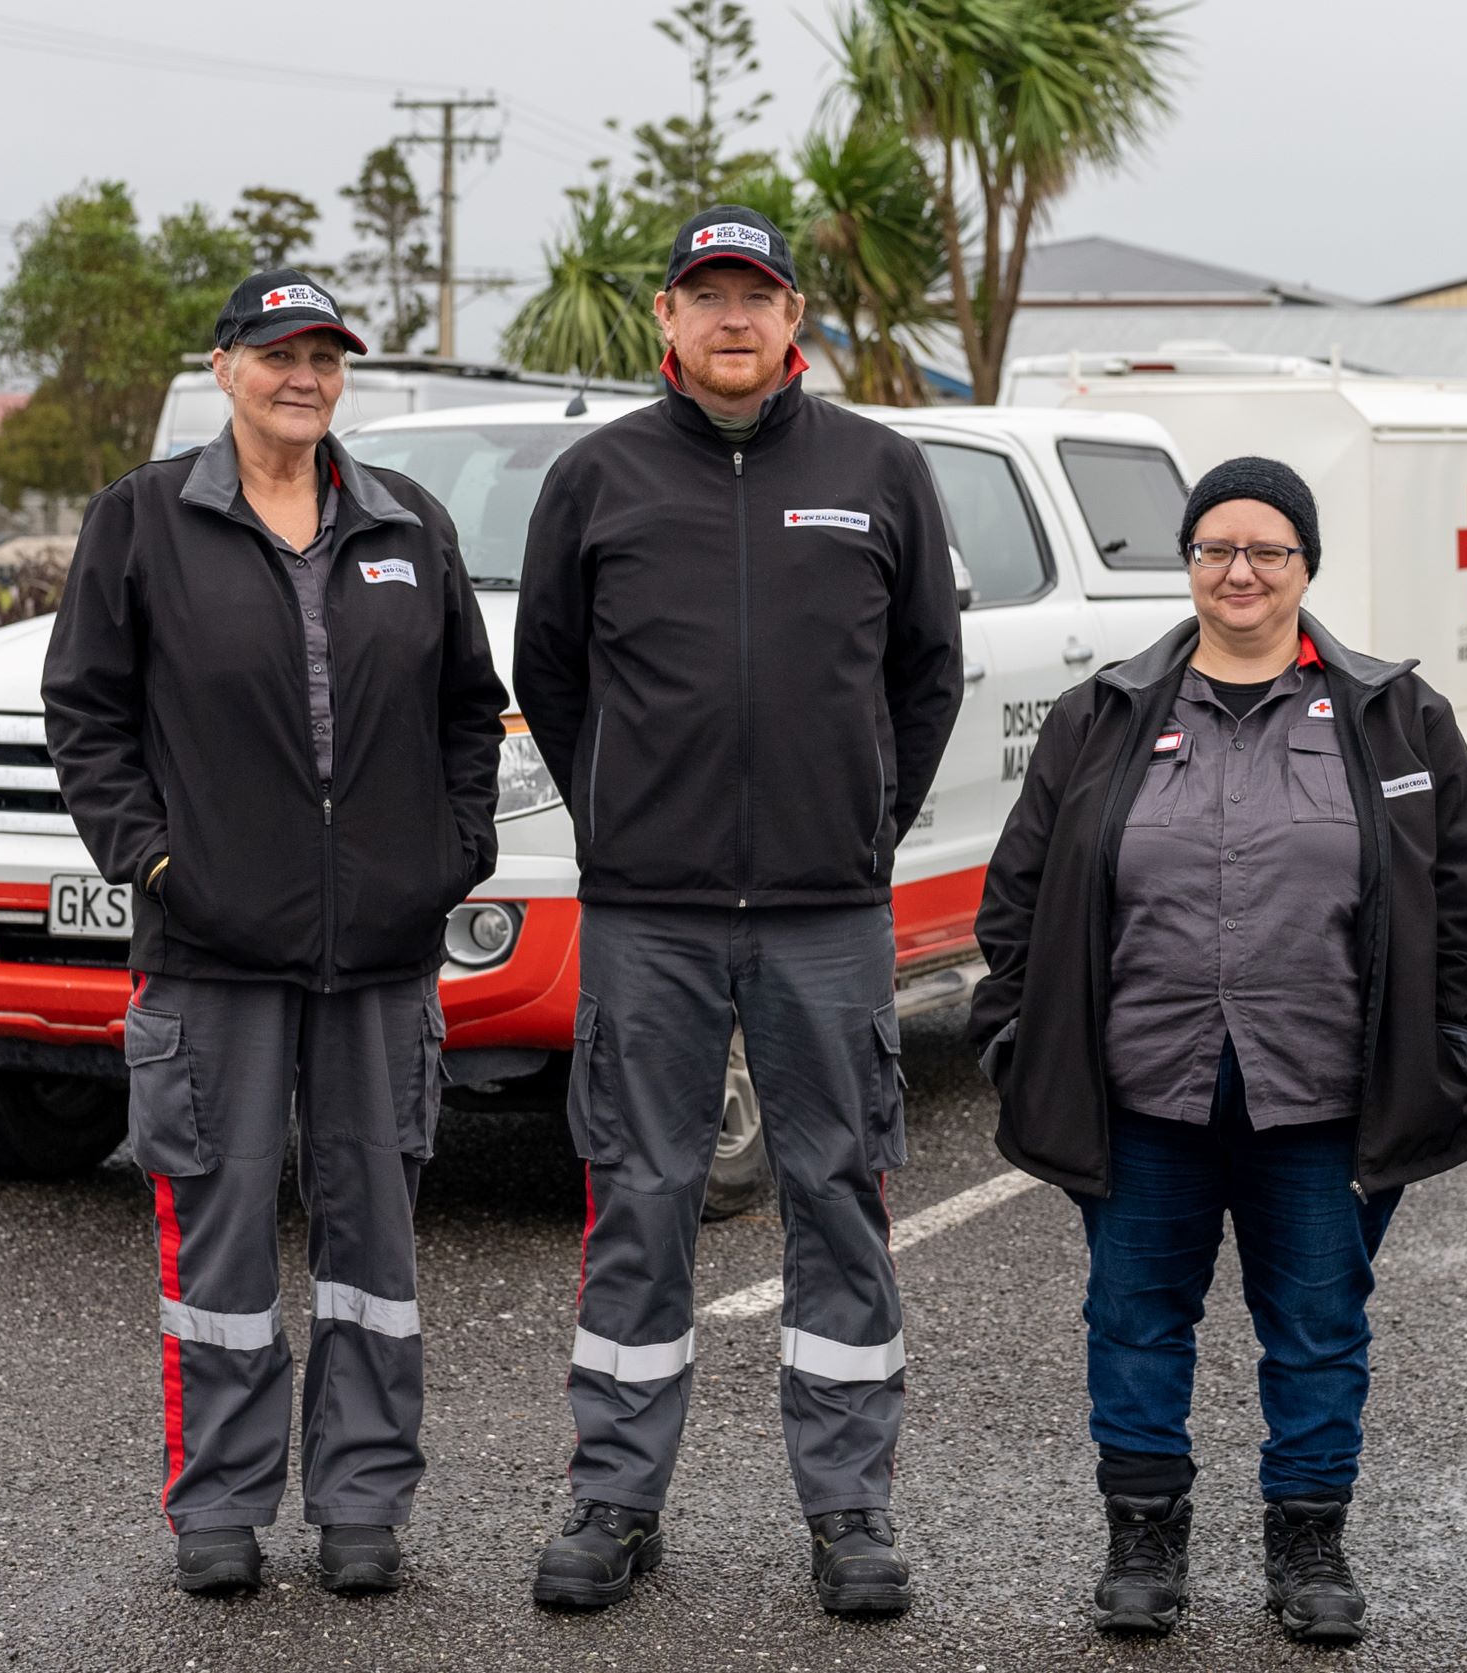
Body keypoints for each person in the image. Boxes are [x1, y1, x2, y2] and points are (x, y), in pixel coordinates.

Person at [968, 457, 1467, 1646]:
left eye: (1268, 549)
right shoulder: (1104, 711)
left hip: (1324, 1090)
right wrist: (1013, 1034)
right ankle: (1143, 1540)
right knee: (1134, 1317)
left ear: (1307, 565)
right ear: (1189, 562)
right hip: (1140, 1085)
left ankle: (1309, 1541)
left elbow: (1461, 899)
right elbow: (1019, 892)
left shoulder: (1394, 714)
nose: (1240, 570)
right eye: (1216, 548)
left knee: (1318, 1324)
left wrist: (1456, 1041)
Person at [512, 204, 963, 1617]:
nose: (730, 319)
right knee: (640, 1201)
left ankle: (850, 1511)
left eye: (754, 296)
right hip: (651, 914)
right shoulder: (596, 480)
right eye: (705, 295)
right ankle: (614, 1503)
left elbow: (925, 678)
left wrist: (858, 827)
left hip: (825, 919)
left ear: (793, 323)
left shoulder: (878, 471)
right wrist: (628, 827)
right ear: (665, 320)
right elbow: (555, 674)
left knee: (837, 1198)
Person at [42, 270, 508, 1596]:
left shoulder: (406, 522)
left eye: (324, 356)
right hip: (211, 949)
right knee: (220, 1236)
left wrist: (449, 854)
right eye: (278, 352)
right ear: (224, 364)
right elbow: (86, 716)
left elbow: (471, 712)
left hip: (378, 956)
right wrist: (154, 859)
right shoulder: (141, 523)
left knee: (374, 1238)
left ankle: (364, 1496)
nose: (303, 376)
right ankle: (222, 1506)